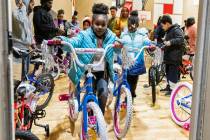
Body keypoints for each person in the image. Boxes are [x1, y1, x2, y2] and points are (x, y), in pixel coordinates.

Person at [59, 3, 121, 115]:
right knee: (90, 94)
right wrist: (61, 40)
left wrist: (119, 45)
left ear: (107, 24)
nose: (100, 27)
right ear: (92, 23)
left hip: (103, 72)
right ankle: (90, 114)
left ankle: (99, 117)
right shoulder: (84, 34)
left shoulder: (111, 36)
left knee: (103, 94)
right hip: (88, 71)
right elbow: (74, 42)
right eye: (97, 24)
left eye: (103, 24)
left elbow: (118, 47)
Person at [120, 11, 151, 101]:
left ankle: (132, 92)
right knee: (127, 78)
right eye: (129, 25)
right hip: (127, 60)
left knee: (134, 78)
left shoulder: (142, 35)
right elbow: (119, 42)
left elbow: (146, 41)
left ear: (137, 25)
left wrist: (150, 45)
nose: (131, 27)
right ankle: (128, 94)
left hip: (137, 60)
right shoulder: (124, 34)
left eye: (133, 26)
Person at [160, 15, 185, 96]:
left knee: (173, 74)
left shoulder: (176, 29)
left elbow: (181, 39)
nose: (162, 27)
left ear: (167, 23)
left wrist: (170, 42)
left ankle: (173, 90)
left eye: (163, 25)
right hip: (169, 57)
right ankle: (169, 86)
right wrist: (164, 44)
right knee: (168, 73)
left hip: (174, 57)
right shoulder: (169, 31)